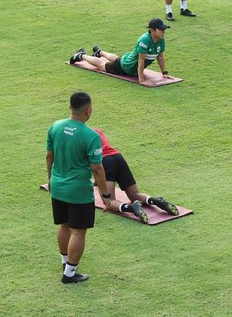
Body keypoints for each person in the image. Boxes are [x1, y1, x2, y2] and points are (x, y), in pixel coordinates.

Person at [46, 92, 112, 284]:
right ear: (88, 111)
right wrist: (105, 194)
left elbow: (49, 156)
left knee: (64, 225)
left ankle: (65, 262)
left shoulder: (56, 126)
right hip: (78, 192)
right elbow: (97, 169)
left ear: (70, 107)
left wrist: (50, 180)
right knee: (78, 231)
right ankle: (69, 274)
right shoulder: (90, 136)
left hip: (57, 186)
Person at [93, 128, 179, 223]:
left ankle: (132, 208)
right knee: (135, 195)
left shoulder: (81, 138)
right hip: (118, 157)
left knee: (109, 201)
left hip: (104, 162)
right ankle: (155, 200)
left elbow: (95, 165)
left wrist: (98, 182)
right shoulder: (96, 131)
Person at [69, 18, 172, 87]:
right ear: (152, 30)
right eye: (161, 29)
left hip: (127, 60)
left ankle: (99, 52)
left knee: (117, 59)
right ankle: (81, 55)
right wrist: (141, 80)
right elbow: (141, 60)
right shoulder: (144, 40)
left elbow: (160, 57)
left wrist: (164, 72)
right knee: (101, 65)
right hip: (126, 67)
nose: (164, 31)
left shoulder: (161, 39)